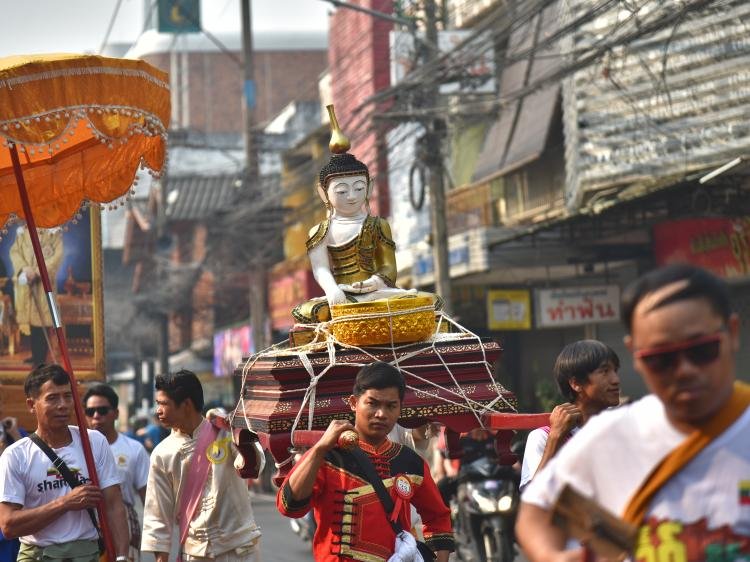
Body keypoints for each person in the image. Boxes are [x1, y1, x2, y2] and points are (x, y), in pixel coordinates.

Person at [516, 264, 750, 561]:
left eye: (701, 350)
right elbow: (536, 512)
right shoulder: (612, 434)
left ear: (732, 334)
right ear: (636, 354)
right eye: (661, 359)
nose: (685, 371)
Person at [277, 361, 455, 561]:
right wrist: (319, 449)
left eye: (391, 406)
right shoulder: (328, 456)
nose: (381, 414)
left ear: (400, 408)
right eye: (373, 403)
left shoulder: (410, 462)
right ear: (353, 403)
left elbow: (438, 516)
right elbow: (289, 506)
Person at [292, 105, 440, 325]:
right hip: (341, 296)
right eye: (342, 191)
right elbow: (321, 268)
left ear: (369, 189)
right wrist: (332, 290)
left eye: (359, 188)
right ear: (323, 193)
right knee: (308, 312)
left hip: (376, 294)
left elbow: (389, 266)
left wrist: (376, 282)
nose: (351, 196)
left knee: (429, 301)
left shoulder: (379, 225)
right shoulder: (322, 231)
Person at [0, 363, 129, 562]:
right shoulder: (15, 455)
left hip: (86, 553)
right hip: (38, 555)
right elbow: (8, 525)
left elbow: (113, 504)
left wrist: (122, 557)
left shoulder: (93, 442)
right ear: (31, 405)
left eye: (67, 396)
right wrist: (64, 504)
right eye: (52, 398)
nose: (63, 404)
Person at [141, 369, 261, 562]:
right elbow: (158, 513)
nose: (158, 411)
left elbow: (252, 465)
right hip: (196, 553)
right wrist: (161, 558)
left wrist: (234, 428)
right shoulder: (162, 453)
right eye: (158, 404)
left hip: (241, 548)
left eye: (164, 404)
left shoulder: (225, 432)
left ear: (186, 404)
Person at [519, 340, 621, 491]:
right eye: (605, 371)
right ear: (576, 383)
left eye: (615, 371)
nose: (616, 380)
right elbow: (535, 497)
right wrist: (556, 437)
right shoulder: (543, 437)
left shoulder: (624, 427)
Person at [83, 384, 149, 562]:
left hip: (124, 521)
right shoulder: (77, 450)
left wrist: (159, 543)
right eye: (90, 411)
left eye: (102, 410)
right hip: (85, 524)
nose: (96, 416)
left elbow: (148, 500)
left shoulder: (134, 449)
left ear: (116, 413)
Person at [9, 226, 64, 366]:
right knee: (32, 323)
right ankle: (36, 355)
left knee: (42, 321)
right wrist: (24, 269)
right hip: (27, 282)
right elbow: (15, 252)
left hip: (43, 284)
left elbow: (58, 255)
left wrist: (38, 272)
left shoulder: (52, 233)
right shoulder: (22, 233)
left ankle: (41, 358)